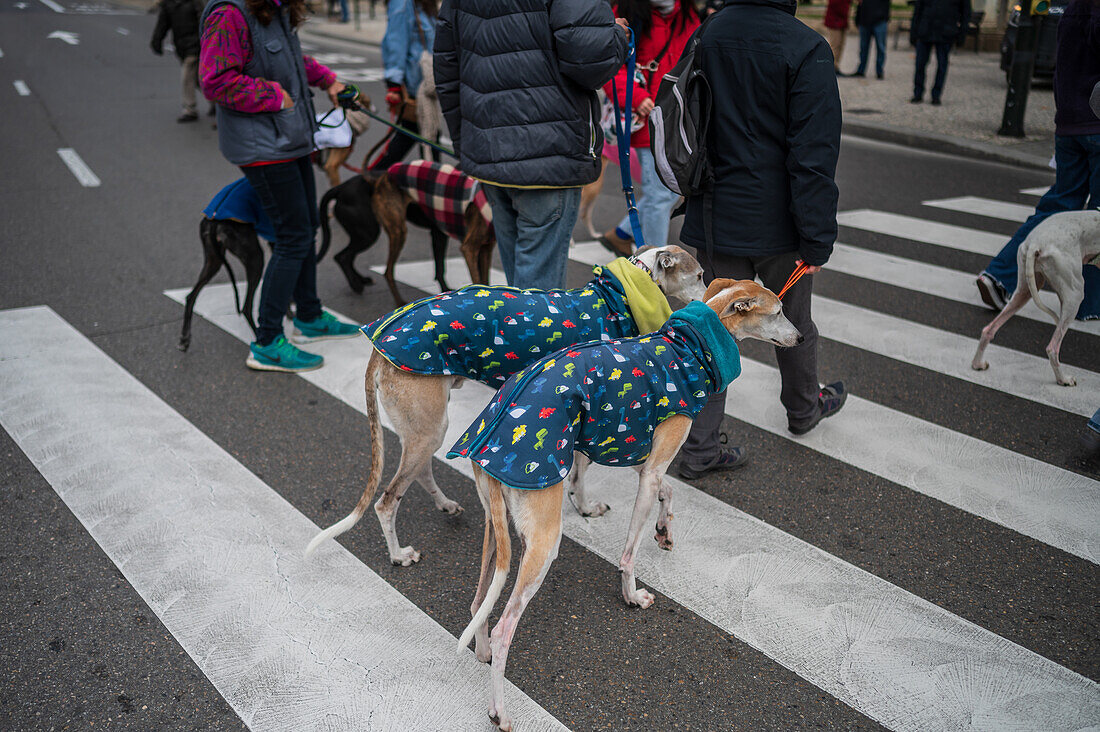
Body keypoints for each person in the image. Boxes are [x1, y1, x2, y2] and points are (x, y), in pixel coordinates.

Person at [675, 0, 847, 479]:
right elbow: (814, 154)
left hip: (715, 210)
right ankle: (803, 409)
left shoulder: (708, 33)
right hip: (781, 221)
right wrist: (816, 239)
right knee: (794, 321)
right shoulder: (804, 45)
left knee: (714, 328)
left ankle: (700, 446)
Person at [199, 0, 360, 372]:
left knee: (306, 229)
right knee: (292, 238)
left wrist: (328, 80)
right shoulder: (231, 13)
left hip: (289, 138)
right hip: (263, 145)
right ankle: (267, 341)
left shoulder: (276, 8)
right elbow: (215, 80)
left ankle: (308, 316)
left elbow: (289, 61)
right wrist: (274, 96)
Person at [434, 0, 629, 290]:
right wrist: (616, 36)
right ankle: (528, 334)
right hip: (549, 151)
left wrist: (467, 145)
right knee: (539, 298)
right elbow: (590, 61)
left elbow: (447, 66)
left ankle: (516, 333)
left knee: (520, 286)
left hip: (490, 151)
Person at [976, 0, 1100, 319]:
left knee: (1059, 204)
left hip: (1069, 122)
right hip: (1096, 120)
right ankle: (1089, 304)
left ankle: (1000, 275)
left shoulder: (1072, 8)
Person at [597, 0, 700, 255]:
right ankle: (656, 262)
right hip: (646, 116)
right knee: (660, 195)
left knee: (669, 193)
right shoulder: (626, 11)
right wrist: (635, 97)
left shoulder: (687, 16)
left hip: (680, 119)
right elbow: (609, 63)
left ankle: (622, 234)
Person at [368, 0, 437, 171]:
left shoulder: (424, 4)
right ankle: (370, 180)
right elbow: (396, 40)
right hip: (414, 84)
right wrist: (394, 84)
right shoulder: (402, 2)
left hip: (427, 83)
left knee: (420, 133)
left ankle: (371, 180)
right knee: (422, 134)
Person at [151, 0, 204, 122]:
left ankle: (190, 109)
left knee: (187, 75)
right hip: (182, 46)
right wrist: (156, 41)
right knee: (197, 79)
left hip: (196, 45)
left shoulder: (194, 3)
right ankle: (216, 103)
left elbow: (204, 20)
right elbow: (162, 24)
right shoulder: (168, 4)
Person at [908, 0, 970, 105]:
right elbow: (918, 9)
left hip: (946, 32)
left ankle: (936, 95)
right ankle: (918, 93)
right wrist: (913, 32)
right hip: (926, 31)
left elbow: (966, 13)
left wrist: (962, 35)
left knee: (942, 66)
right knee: (920, 64)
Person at [851, 0, 889, 79]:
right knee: (863, 48)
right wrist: (857, 19)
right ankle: (861, 70)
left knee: (880, 47)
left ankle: (879, 71)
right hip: (865, 20)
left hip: (879, 20)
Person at [823, 0, 852, 76]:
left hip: (842, 21)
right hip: (835, 21)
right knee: (835, 45)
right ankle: (831, 68)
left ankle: (836, 67)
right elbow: (836, 5)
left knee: (840, 45)